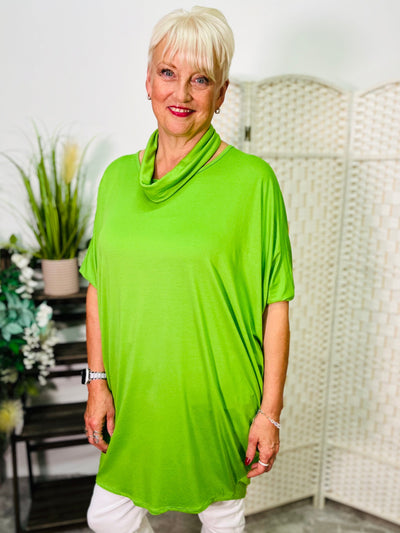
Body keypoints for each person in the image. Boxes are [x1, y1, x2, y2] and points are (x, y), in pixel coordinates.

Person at [80, 6, 294, 533]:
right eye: (168, 73)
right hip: (136, 397)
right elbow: (98, 288)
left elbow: (276, 307)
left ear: (221, 94)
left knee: (220, 519)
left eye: (200, 79)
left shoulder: (253, 182)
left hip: (215, 401)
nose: (181, 93)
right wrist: (97, 382)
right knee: (107, 518)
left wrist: (269, 412)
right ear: (148, 81)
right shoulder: (116, 180)